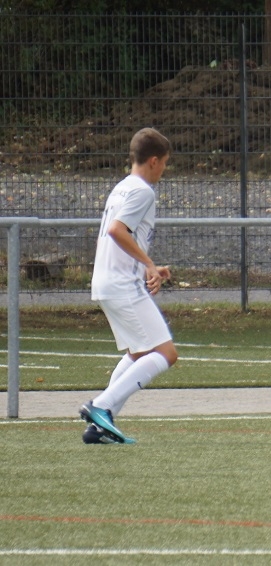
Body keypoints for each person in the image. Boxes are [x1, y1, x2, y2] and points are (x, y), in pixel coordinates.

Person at [79, 127, 179, 445]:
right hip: (123, 284)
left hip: (108, 280)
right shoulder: (142, 191)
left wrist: (148, 265)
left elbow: (119, 236)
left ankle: (99, 427)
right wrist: (148, 264)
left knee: (139, 353)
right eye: (164, 162)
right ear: (153, 161)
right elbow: (117, 231)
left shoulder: (121, 187)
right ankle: (101, 406)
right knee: (166, 353)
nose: (164, 169)